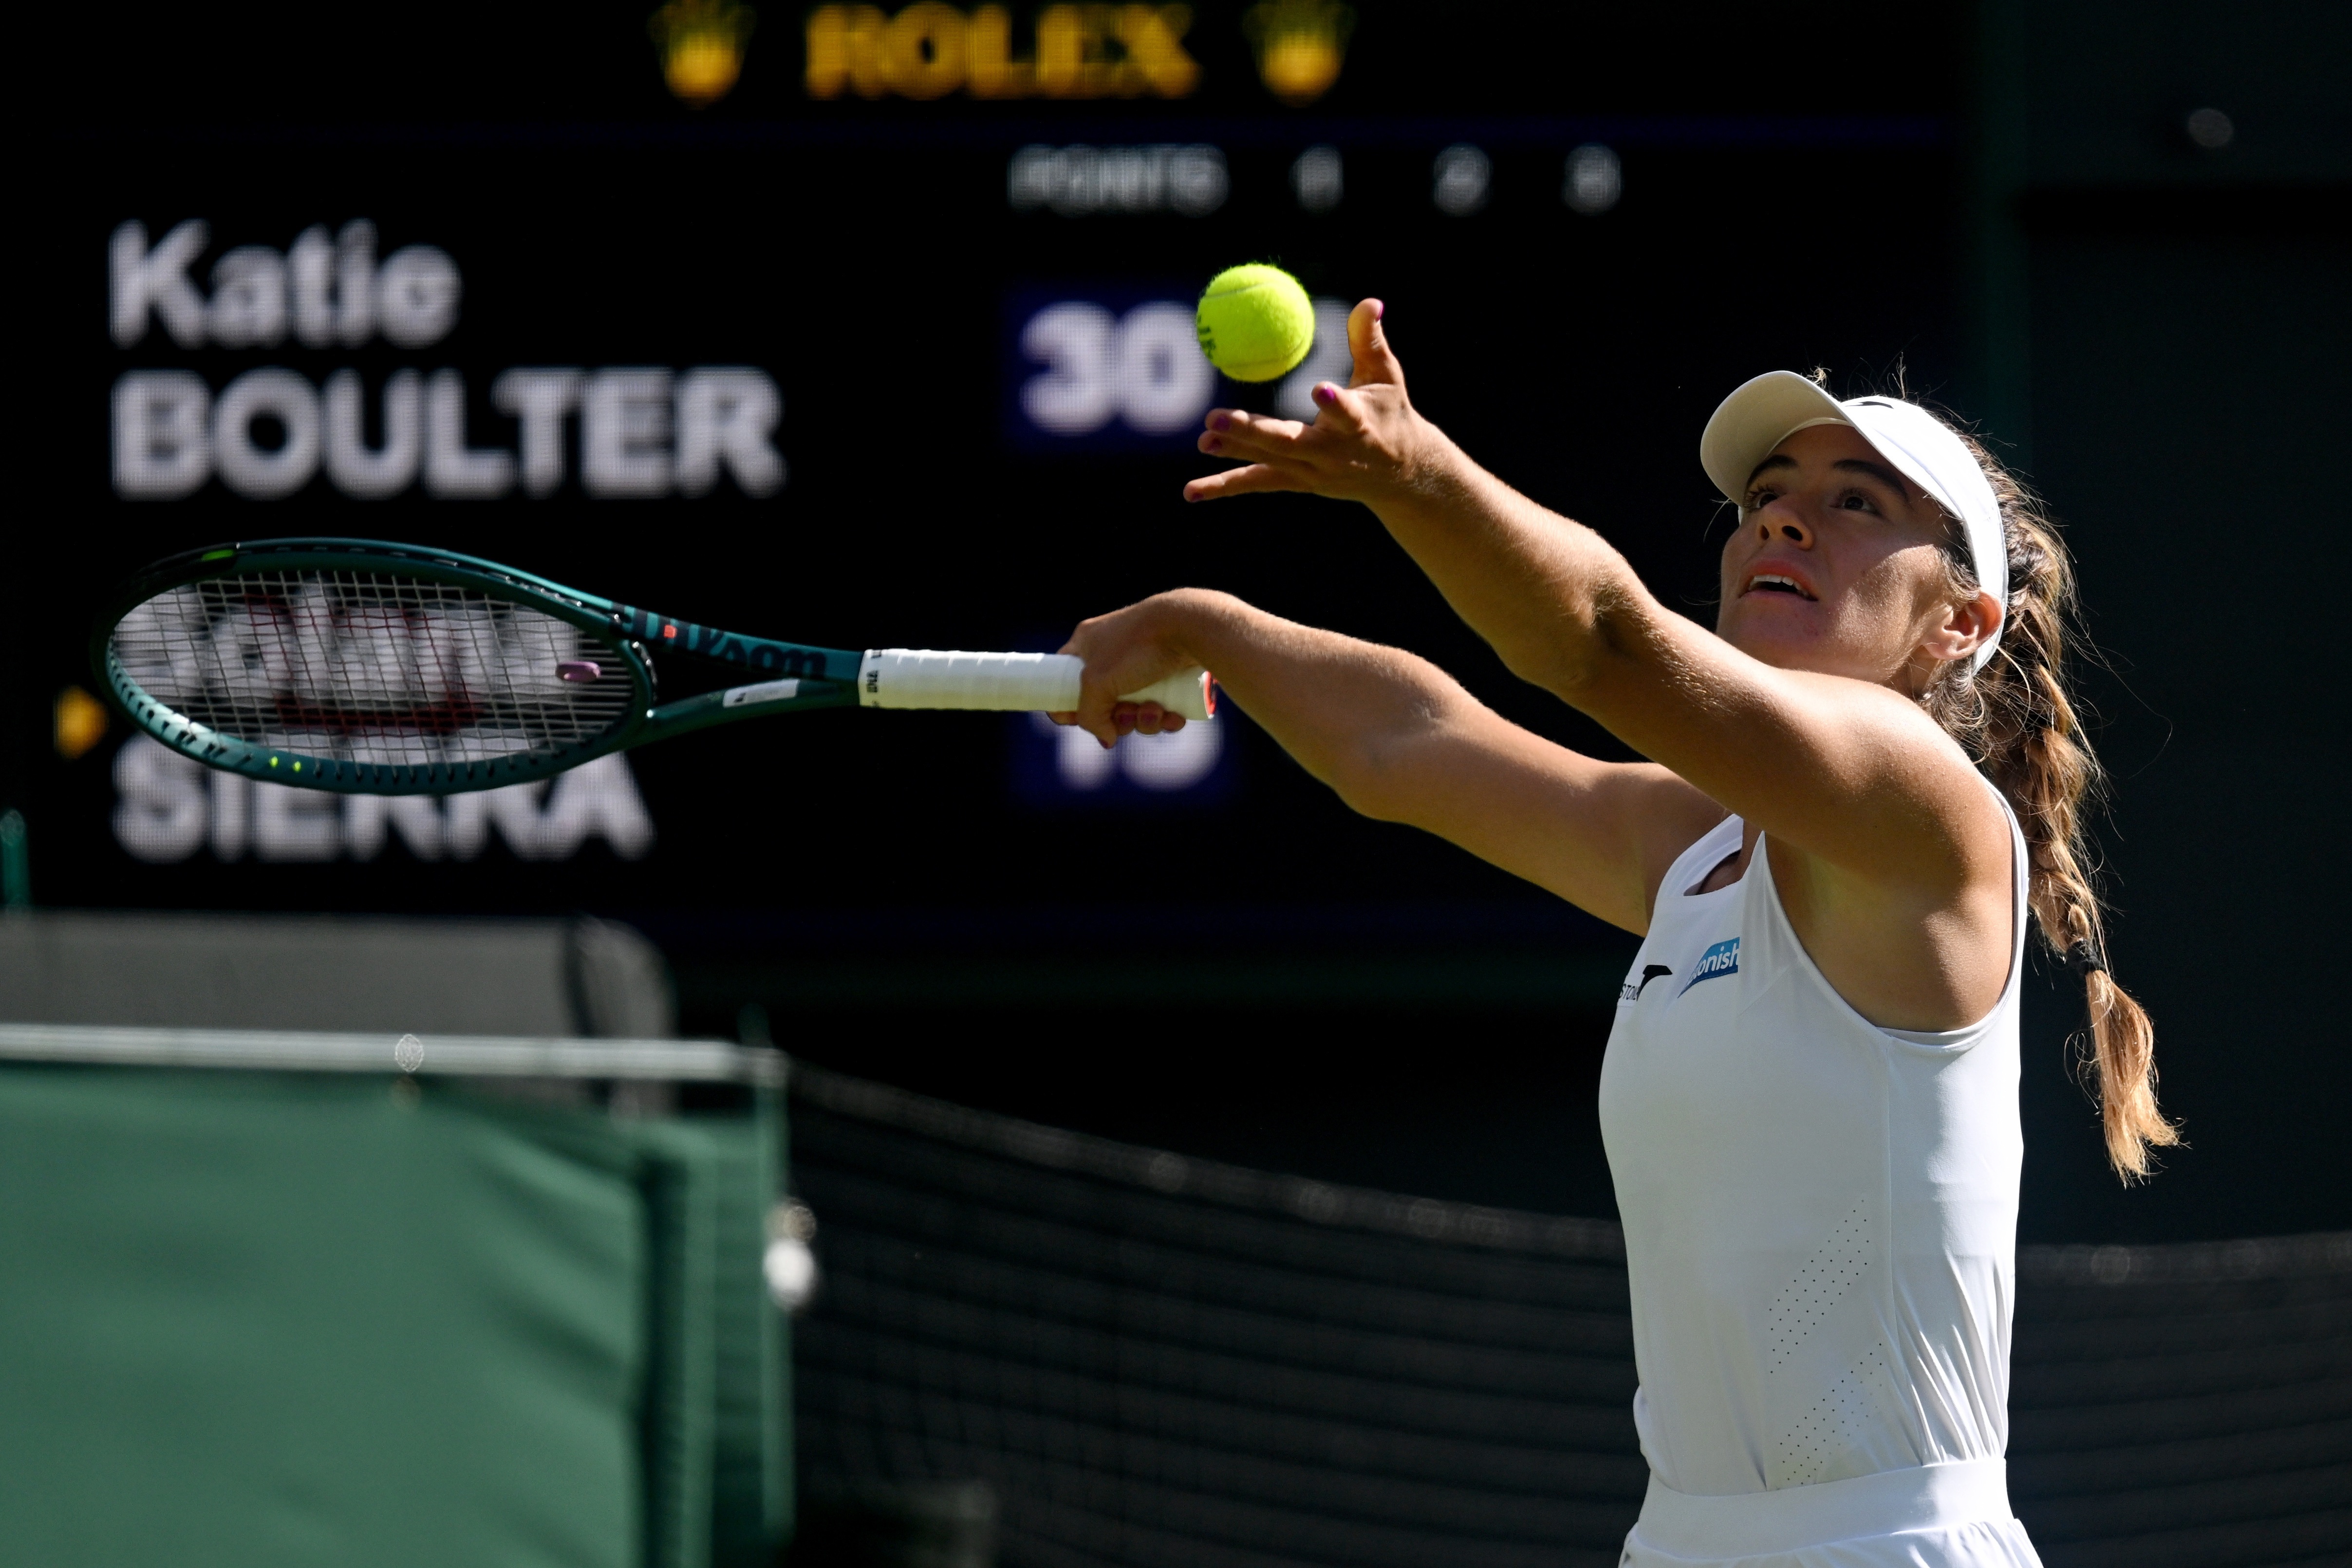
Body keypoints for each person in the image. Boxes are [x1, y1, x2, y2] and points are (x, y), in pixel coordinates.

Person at [1050, 300, 2178, 1568]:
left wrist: (1419, 474)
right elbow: (1406, 749)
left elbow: (1597, 639)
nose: (1782, 516)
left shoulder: (1930, 816)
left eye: (1857, 502)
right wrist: (1209, 624)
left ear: (1957, 625)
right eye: (1767, 492)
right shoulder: (1702, 854)